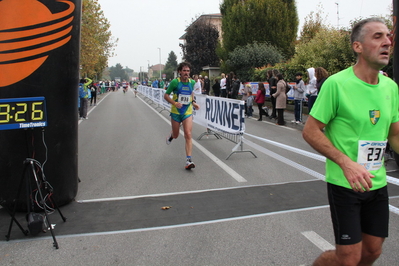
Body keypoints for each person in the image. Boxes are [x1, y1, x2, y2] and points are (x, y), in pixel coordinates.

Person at [302, 18, 398, 266]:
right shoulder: (337, 84)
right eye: (377, 37)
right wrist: (346, 163)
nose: (387, 41)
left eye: (388, 36)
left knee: (373, 252)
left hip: (376, 183)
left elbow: (395, 134)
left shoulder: (390, 87)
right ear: (358, 46)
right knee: (349, 257)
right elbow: (311, 131)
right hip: (345, 185)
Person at [164, 62, 200, 170]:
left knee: (188, 134)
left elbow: (191, 93)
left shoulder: (192, 82)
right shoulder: (175, 82)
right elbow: (166, 95)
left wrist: (193, 102)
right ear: (179, 72)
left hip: (187, 112)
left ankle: (189, 160)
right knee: (176, 135)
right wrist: (174, 103)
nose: (186, 73)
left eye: (188, 71)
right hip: (176, 112)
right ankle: (171, 136)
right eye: (184, 71)